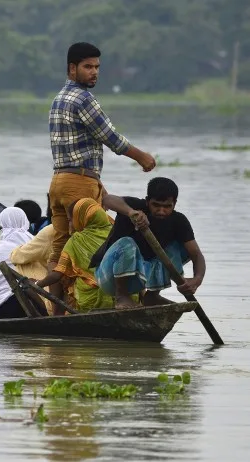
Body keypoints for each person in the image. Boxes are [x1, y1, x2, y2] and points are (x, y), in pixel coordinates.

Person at [48, 42, 156, 269]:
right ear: (72, 69)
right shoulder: (83, 98)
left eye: (97, 67)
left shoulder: (59, 98)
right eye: (88, 67)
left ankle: (55, 305)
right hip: (78, 183)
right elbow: (110, 137)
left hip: (58, 183)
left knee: (60, 248)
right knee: (90, 244)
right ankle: (87, 301)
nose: (94, 72)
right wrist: (141, 157)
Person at [92, 177, 206, 309]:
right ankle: (121, 296)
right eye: (156, 205)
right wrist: (131, 212)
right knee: (127, 243)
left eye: (167, 206)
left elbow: (196, 254)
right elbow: (107, 199)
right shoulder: (135, 206)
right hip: (108, 276)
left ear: (174, 203)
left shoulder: (179, 221)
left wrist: (197, 280)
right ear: (147, 201)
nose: (161, 211)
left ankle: (152, 296)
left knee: (181, 247)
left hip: (140, 278)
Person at [36, 198, 115, 313]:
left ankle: (57, 314)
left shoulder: (77, 240)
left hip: (91, 302)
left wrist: (37, 284)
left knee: (68, 280)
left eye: (70, 220)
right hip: (123, 296)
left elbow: (57, 274)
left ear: (81, 219)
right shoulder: (115, 233)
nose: (70, 224)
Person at [10, 224, 56, 314]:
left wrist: (36, 284)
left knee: (25, 262)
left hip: (68, 296)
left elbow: (17, 256)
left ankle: (51, 308)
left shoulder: (51, 231)